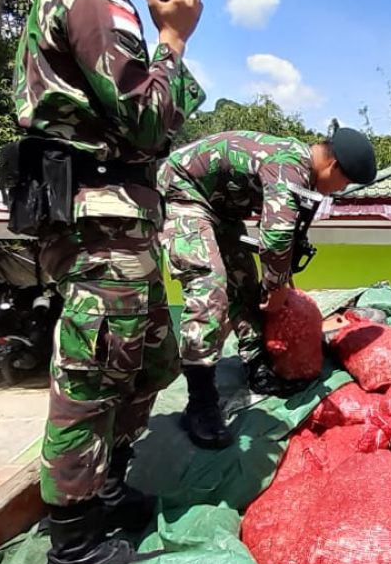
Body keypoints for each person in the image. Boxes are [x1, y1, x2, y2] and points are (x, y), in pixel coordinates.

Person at [13, 0, 206, 564]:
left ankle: (110, 490)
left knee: (146, 359)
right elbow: (148, 120)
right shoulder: (95, 0)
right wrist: (174, 39)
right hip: (98, 218)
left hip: (120, 218)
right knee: (93, 370)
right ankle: (73, 541)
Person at [158, 128, 376, 445]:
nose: (337, 191)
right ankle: (201, 402)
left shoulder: (298, 171)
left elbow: (281, 232)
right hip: (183, 194)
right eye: (344, 183)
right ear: (333, 167)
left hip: (221, 211)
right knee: (211, 287)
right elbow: (275, 239)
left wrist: (277, 282)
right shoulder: (291, 165)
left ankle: (256, 365)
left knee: (245, 283)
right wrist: (277, 289)